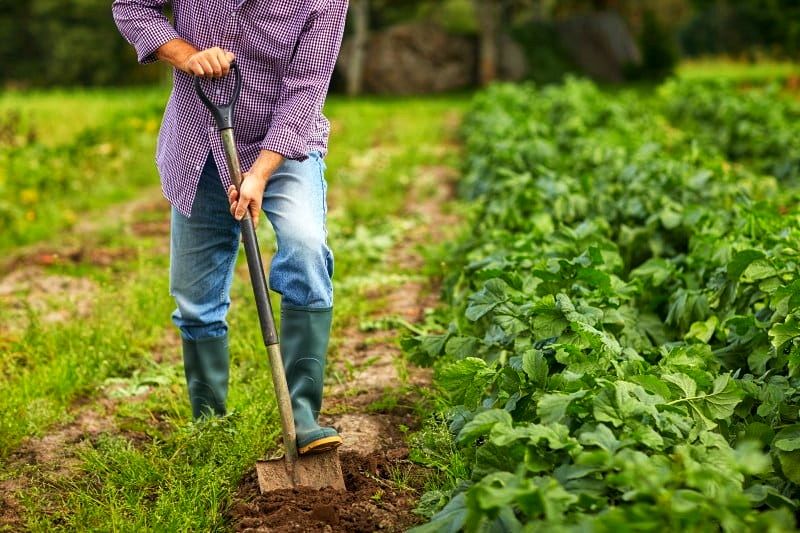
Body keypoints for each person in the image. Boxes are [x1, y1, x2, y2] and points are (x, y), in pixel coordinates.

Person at [112, 0, 348, 455]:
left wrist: (258, 174)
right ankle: (210, 427)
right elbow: (131, 6)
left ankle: (301, 415)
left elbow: (307, 88)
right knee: (195, 299)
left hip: (284, 146)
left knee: (305, 246)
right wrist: (185, 54)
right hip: (199, 138)